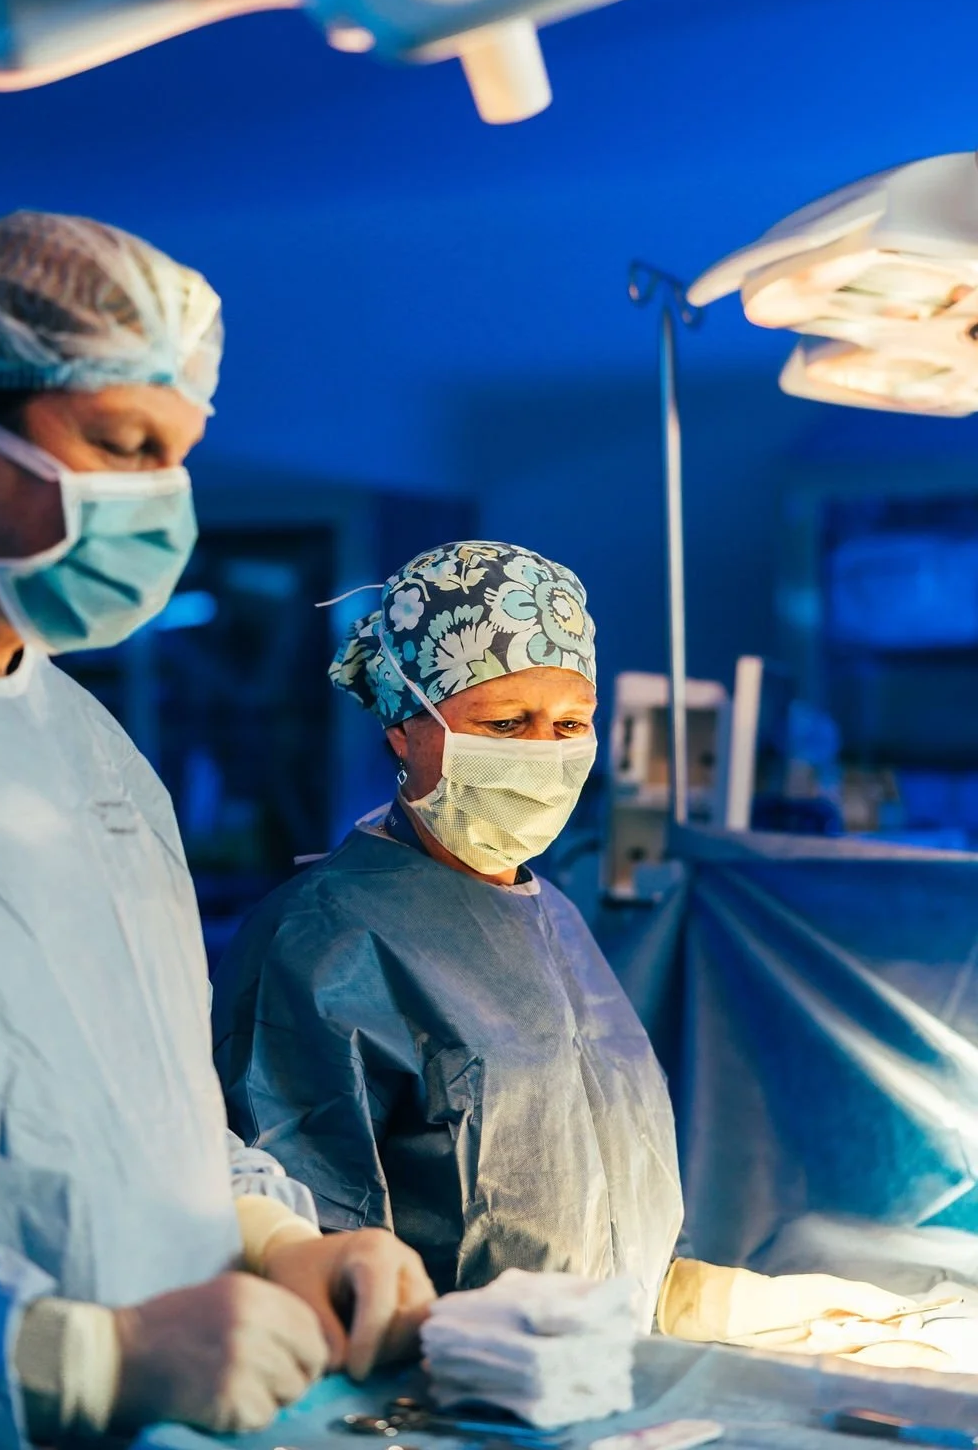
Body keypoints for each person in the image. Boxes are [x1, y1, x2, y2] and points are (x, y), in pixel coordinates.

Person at [0, 211, 433, 1448]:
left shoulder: (96, 759)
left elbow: (135, 1106)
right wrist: (76, 1359)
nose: (157, 505)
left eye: (175, 461)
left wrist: (275, 1242)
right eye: (119, 443)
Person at [212, 540, 684, 1310]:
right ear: (404, 728)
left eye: (571, 727)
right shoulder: (323, 939)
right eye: (505, 724)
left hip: (596, 1374)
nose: (544, 755)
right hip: (438, 1395)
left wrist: (692, 1301)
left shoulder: (552, 918)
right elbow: (318, 1257)